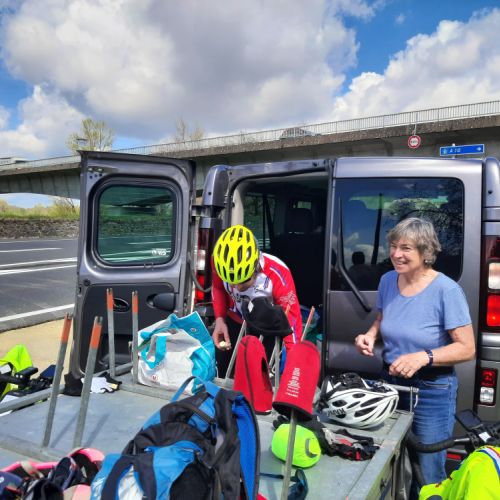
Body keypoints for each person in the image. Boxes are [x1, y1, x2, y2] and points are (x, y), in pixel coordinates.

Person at [354, 217, 475, 496]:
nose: (396, 254)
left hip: (431, 389)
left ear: (425, 251)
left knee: (428, 470)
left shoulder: (447, 290)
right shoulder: (388, 280)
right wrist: (370, 335)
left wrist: (423, 357)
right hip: (391, 383)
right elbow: (383, 318)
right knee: (388, 460)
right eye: (394, 246)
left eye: (406, 248)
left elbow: (467, 348)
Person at [211, 224, 303, 377]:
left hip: (266, 327)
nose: (237, 288)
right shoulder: (217, 260)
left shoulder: (278, 273)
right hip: (235, 321)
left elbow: (291, 322)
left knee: (260, 379)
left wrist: (294, 367)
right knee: (225, 374)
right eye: (230, 281)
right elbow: (218, 288)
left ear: (256, 267)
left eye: (244, 281)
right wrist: (219, 319)